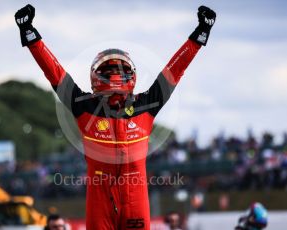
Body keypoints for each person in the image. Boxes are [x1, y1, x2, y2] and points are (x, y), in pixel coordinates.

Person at [15, 4, 216, 230]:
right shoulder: (85, 106)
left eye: (120, 71)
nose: (115, 76)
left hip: (134, 200)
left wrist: (200, 34)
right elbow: (54, 72)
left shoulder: (145, 104)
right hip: (101, 202)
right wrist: (31, 35)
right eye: (109, 71)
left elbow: (175, 69)